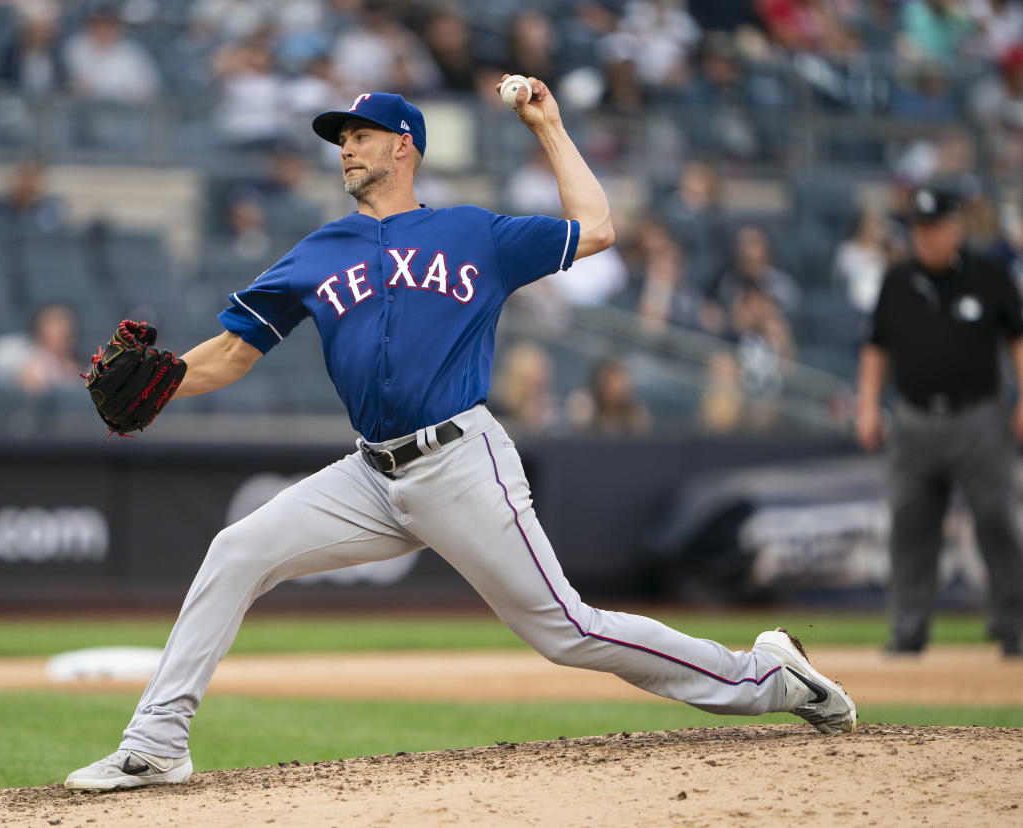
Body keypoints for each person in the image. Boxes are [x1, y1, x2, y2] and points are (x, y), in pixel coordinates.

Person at [64, 81, 856, 792]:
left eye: (359, 133)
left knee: (568, 631)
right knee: (236, 551)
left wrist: (547, 126)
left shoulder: (475, 232)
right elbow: (235, 351)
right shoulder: (319, 250)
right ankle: (156, 745)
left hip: (459, 461)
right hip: (370, 476)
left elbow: (598, 227)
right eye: (340, 136)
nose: (345, 146)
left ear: (402, 145)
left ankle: (769, 679)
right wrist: (165, 378)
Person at [856, 186, 1023, 657]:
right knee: (910, 523)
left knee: (997, 519)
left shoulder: (989, 276)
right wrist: (867, 405)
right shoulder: (897, 280)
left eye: (933, 228)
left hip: (979, 417)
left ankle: (1014, 624)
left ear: (956, 228)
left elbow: (1017, 339)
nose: (925, 238)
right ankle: (909, 627)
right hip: (913, 419)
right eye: (918, 229)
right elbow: (875, 347)